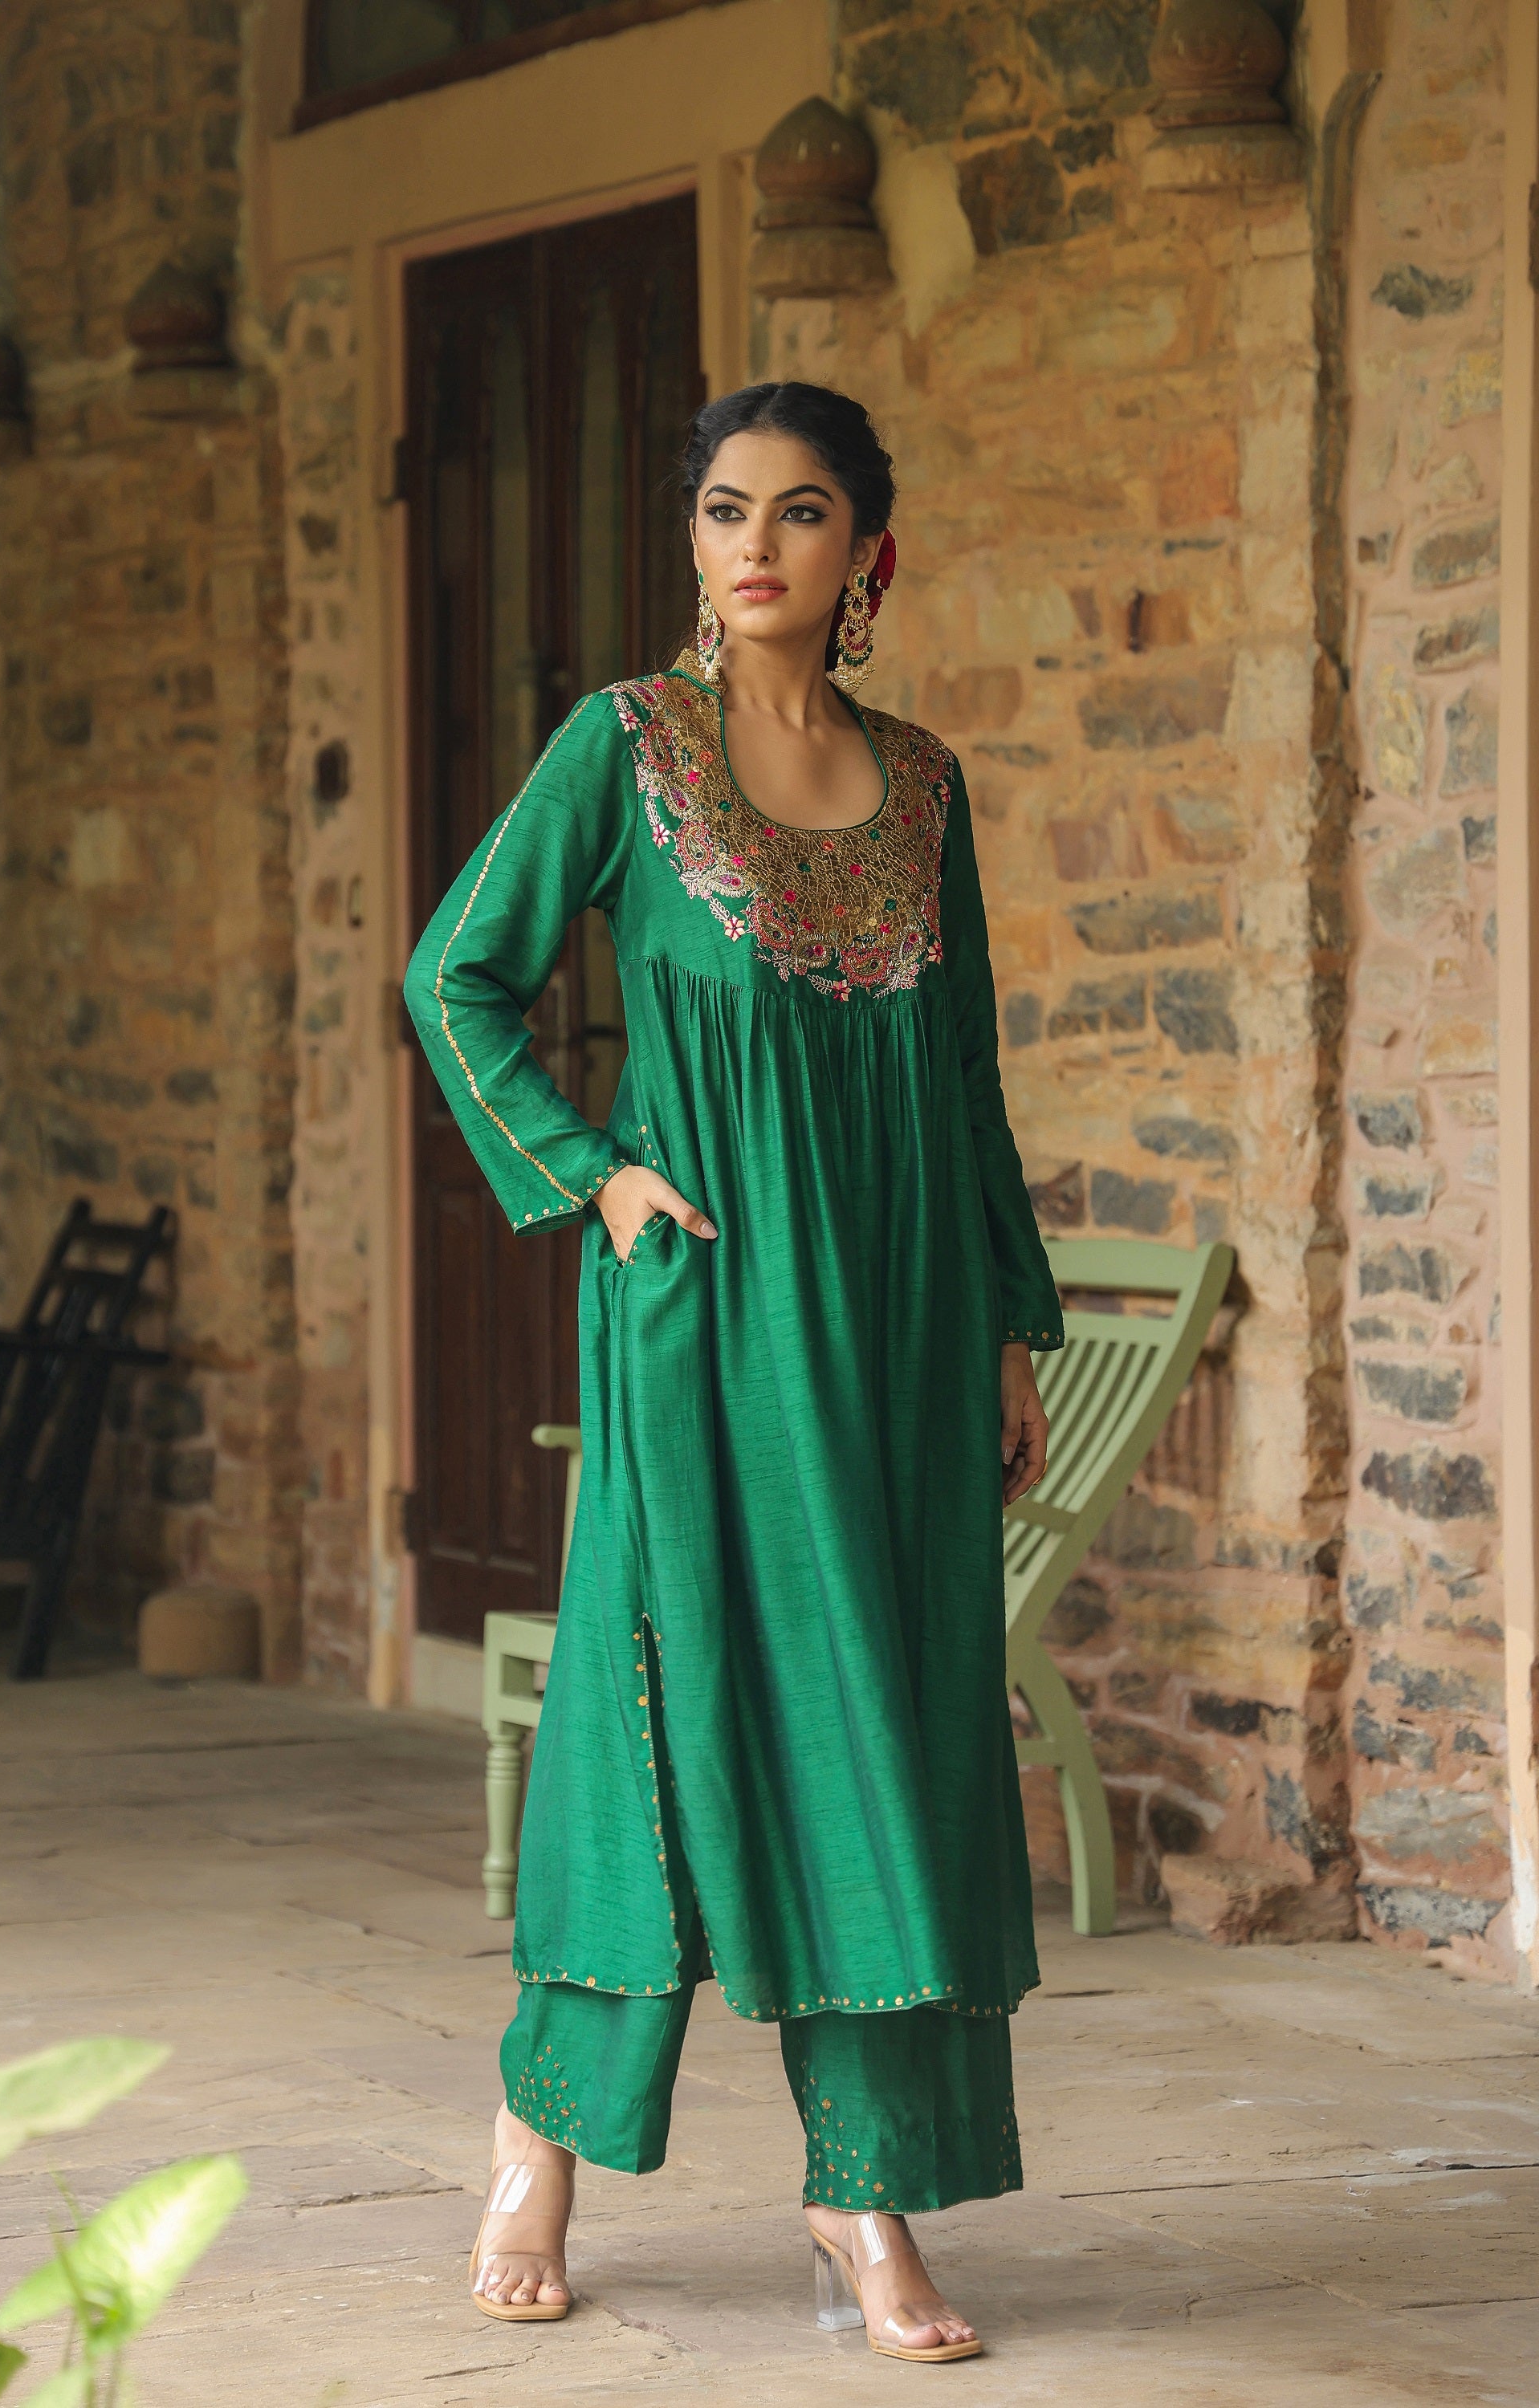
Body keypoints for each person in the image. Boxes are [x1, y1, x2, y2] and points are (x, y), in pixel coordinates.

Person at [405, 380, 1061, 2364]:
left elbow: (964, 1076)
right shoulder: (622, 748)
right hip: (701, 1311)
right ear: (690, 538)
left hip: (907, 1334)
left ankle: (865, 2195)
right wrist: (592, 1174)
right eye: (720, 508)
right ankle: (540, 2134)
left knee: (892, 1734)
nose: (752, 544)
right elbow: (457, 976)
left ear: (869, 551)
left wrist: (1010, 1328)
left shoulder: (923, 786)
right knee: (654, 1721)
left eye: (796, 511)